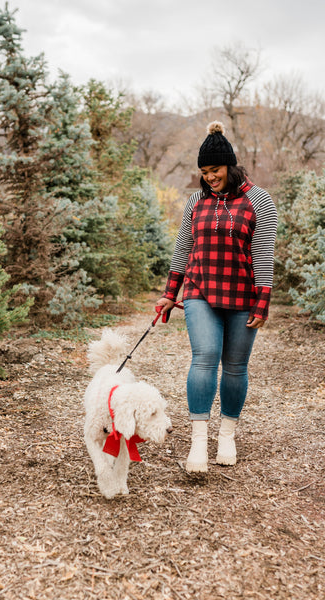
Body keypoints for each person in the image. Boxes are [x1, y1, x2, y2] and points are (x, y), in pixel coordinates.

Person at [157, 121, 278, 473]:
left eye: (216, 170)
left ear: (231, 166)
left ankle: (226, 434)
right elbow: (183, 249)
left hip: (243, 295)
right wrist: (169, 295)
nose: (210, 177)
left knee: (236, 367)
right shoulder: (196, 201)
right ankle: (198, 442)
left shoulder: (259, 200)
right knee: (205, 356)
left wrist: (263, 301)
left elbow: (264, 254)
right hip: (200, 292)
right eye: (205, 172)